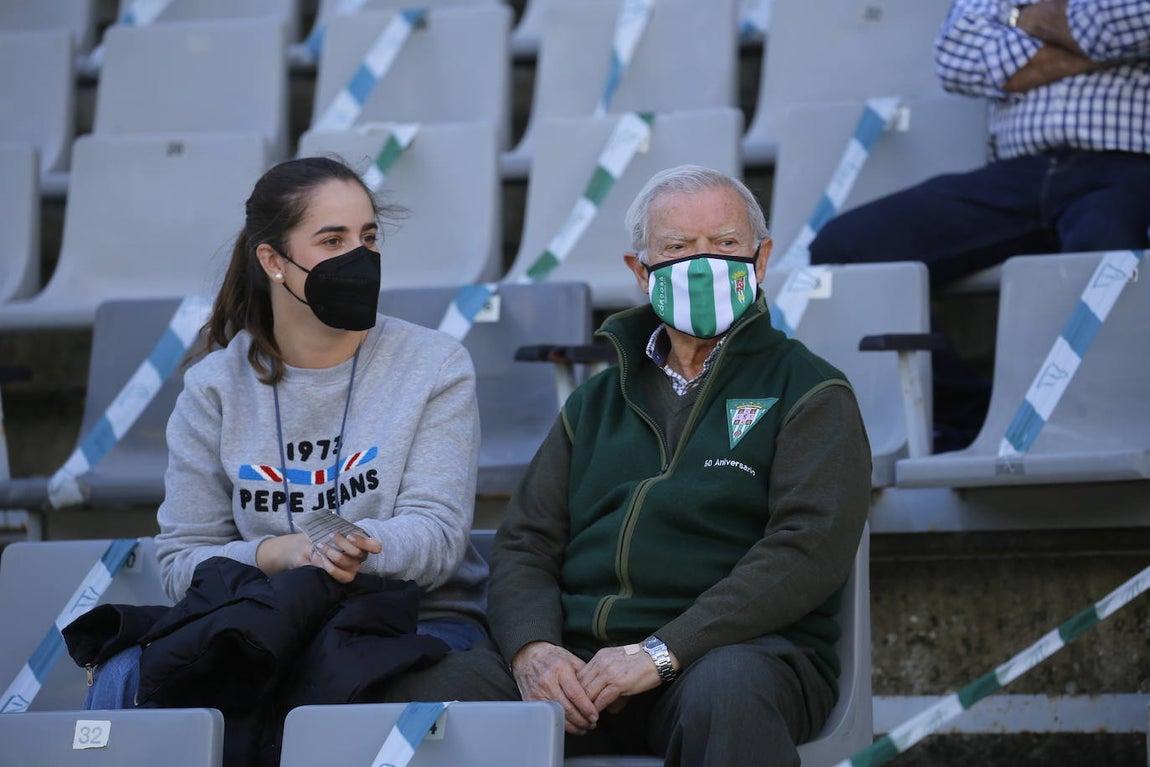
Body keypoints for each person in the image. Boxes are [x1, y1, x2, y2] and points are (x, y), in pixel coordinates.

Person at [74, 156, 501, 745]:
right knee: (133, 675)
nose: (359, 258)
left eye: (368, 238)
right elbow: (180, 562)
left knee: (322, 686)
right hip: (267, 616)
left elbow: (438, 536)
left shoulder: (433, 364)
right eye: (332, 241)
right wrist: (276, 555)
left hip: (414, 619)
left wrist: (357, 550)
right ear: (273, 262)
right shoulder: (214, 388)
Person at [483, 165, 873, 766]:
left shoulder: (811, 391)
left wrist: (661, 652)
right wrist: (533, 650)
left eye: (726, 243)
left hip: (735, 657)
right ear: (641, 271)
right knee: (437, 690)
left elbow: (806, 549)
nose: (702, 263)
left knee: (728, 693)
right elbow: (525, 543)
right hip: (582, 668)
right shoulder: (594, 400)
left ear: (762, 259)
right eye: (678, 248)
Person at [808, 0, 1150, 450]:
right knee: (844, 250)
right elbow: (956, 56)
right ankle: (972, 418)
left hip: (1128, 164)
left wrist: (1025, 19)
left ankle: (1098, 429)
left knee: (1103, 265)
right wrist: (1105, 48)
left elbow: (1136, 19)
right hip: (1018, 174)